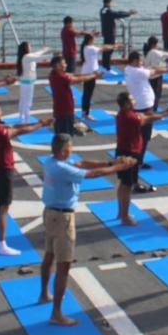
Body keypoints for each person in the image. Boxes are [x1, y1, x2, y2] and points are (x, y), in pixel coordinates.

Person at [40, 134, 137, 325]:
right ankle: (56, 313)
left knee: (49, 255)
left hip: (50, 213)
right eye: (70, 147)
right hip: (63, 218)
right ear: (63, 150)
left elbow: (83, 163)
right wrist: (120, 167)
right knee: (63, 264)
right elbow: (91, 174)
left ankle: (44, 293)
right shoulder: (61, 168)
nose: (72, 149)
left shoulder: (51, 162)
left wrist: (112, 161)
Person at [0, 100, 52, 254]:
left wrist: (39, 122)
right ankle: (0, 244)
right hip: (3, 169)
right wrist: (40, 125)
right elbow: (17, 132)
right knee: (4, 207)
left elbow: (12, 127)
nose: (1, 114)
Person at [115, 93, 168, 221]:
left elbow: (143, 116)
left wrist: (163, 112)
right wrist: (166, 113)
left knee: (123, 184)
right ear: (126, 103)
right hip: (130, 154)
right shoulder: (131, 117)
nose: (134, 101)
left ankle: (121, 213)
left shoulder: (122, 114)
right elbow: (145, 119)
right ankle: (125, 216)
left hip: (122, 151)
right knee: (127, 186)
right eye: (132, 99)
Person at [124, 51, 168, 178]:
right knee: (144, 137)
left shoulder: (130, 69)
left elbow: (150, 68)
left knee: (140, 136)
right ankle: (137, 162)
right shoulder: (137, 72)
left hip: (141, 105)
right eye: (140, 61)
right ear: (134, 61)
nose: (142, 63)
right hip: (144, 107)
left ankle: (137, 161)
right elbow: (154, 71)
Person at [48, 55, 99, 136]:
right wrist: (93, 76)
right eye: (63, 63)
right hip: (65, 111)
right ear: (57, 65)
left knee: (62, 135)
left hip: (61, 110)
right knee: (65, 136)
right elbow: (77, 80)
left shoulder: (53, 73)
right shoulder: (61, 77)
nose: (66, 65)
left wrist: (90, 74)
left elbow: (73, 75)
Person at [79, 34, 122, 119]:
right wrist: (115, 46)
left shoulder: (86, 47)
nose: (94, 41)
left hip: (88, 71)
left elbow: (102, 46)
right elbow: (103, 48)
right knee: (88, 94)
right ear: (90, 40)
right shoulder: (90, 49)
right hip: (90, 73)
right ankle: (86, 113)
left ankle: (85, 112)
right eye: (93, 39)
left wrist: (113, 46)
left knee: (86, 94)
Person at [16, 42, 52, 123]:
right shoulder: (27, 57)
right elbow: (38, 58)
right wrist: (53, 56)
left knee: (23, 101)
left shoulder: (26, 56)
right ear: (26, 48)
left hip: (25, 82)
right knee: (27, 103)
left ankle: (21, 117)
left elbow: (37, 54)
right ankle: (26, 121)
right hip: (28, 83)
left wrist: (44, 50)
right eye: (29, 46)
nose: (31, 47)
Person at [99, 0, 137, 71]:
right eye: (111, 2)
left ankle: (105, 64)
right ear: (108, 3)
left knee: (106, 49)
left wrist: (127, 12)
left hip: (106, 32)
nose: (112, 4)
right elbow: (117, 14)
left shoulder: (102, 10)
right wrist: (129, 13)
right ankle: (107, 66)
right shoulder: (108, 11)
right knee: (110, 49)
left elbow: (117, 12)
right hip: (110, 33)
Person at [143, 36, 168, 110]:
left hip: (150, 76)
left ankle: (151, 109)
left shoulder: (147, 52)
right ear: (154, 44)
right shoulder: (155, 52)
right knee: (156, 95)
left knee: (152, 94)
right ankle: (154, 110)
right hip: (157, 76)